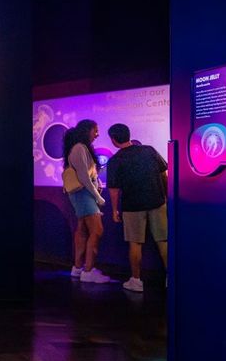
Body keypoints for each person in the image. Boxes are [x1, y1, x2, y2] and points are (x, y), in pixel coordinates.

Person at [106, 123, 168, 293]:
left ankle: (136, 281)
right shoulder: (149, 150)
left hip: (132, 206)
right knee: (163, 240)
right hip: (157, 201)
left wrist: (114, 210)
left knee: (135, 243)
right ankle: (172, 277)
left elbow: (113, 190)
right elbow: (164, 172)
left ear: (113, 140)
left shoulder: (115, 161)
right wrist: (165, 195)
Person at [62, 119, 113, 284]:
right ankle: (89, 271)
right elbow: (84, 177)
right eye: (95, 130)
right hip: (83, 194)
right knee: (97, 230)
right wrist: (98, 196)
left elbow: (89, 175)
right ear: (87, 131)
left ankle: (78, 268)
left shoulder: (81, 148)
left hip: (84, 194)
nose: (97, 134)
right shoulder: (79, 148)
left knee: (83, 229)